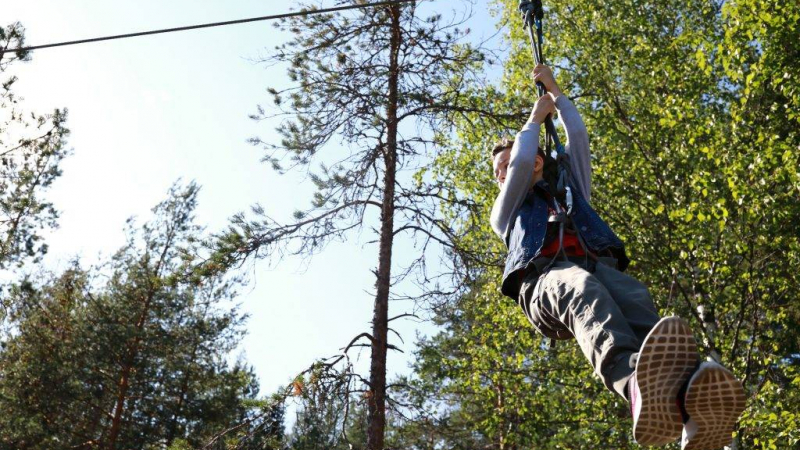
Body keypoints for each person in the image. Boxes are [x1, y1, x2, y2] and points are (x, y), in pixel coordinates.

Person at [489, 64, 746, 449]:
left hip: (594, 265)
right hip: (545, 283)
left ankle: (692, 413)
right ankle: (632, 385)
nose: (511, 166)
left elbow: (577, 137)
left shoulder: (573, 189)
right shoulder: (506, 212)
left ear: (544, 157)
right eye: (501, 169)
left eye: (514, 158)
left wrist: (557, 94)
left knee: (635, 299)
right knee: (582, 288)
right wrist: (532, 120)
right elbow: (522, 164)